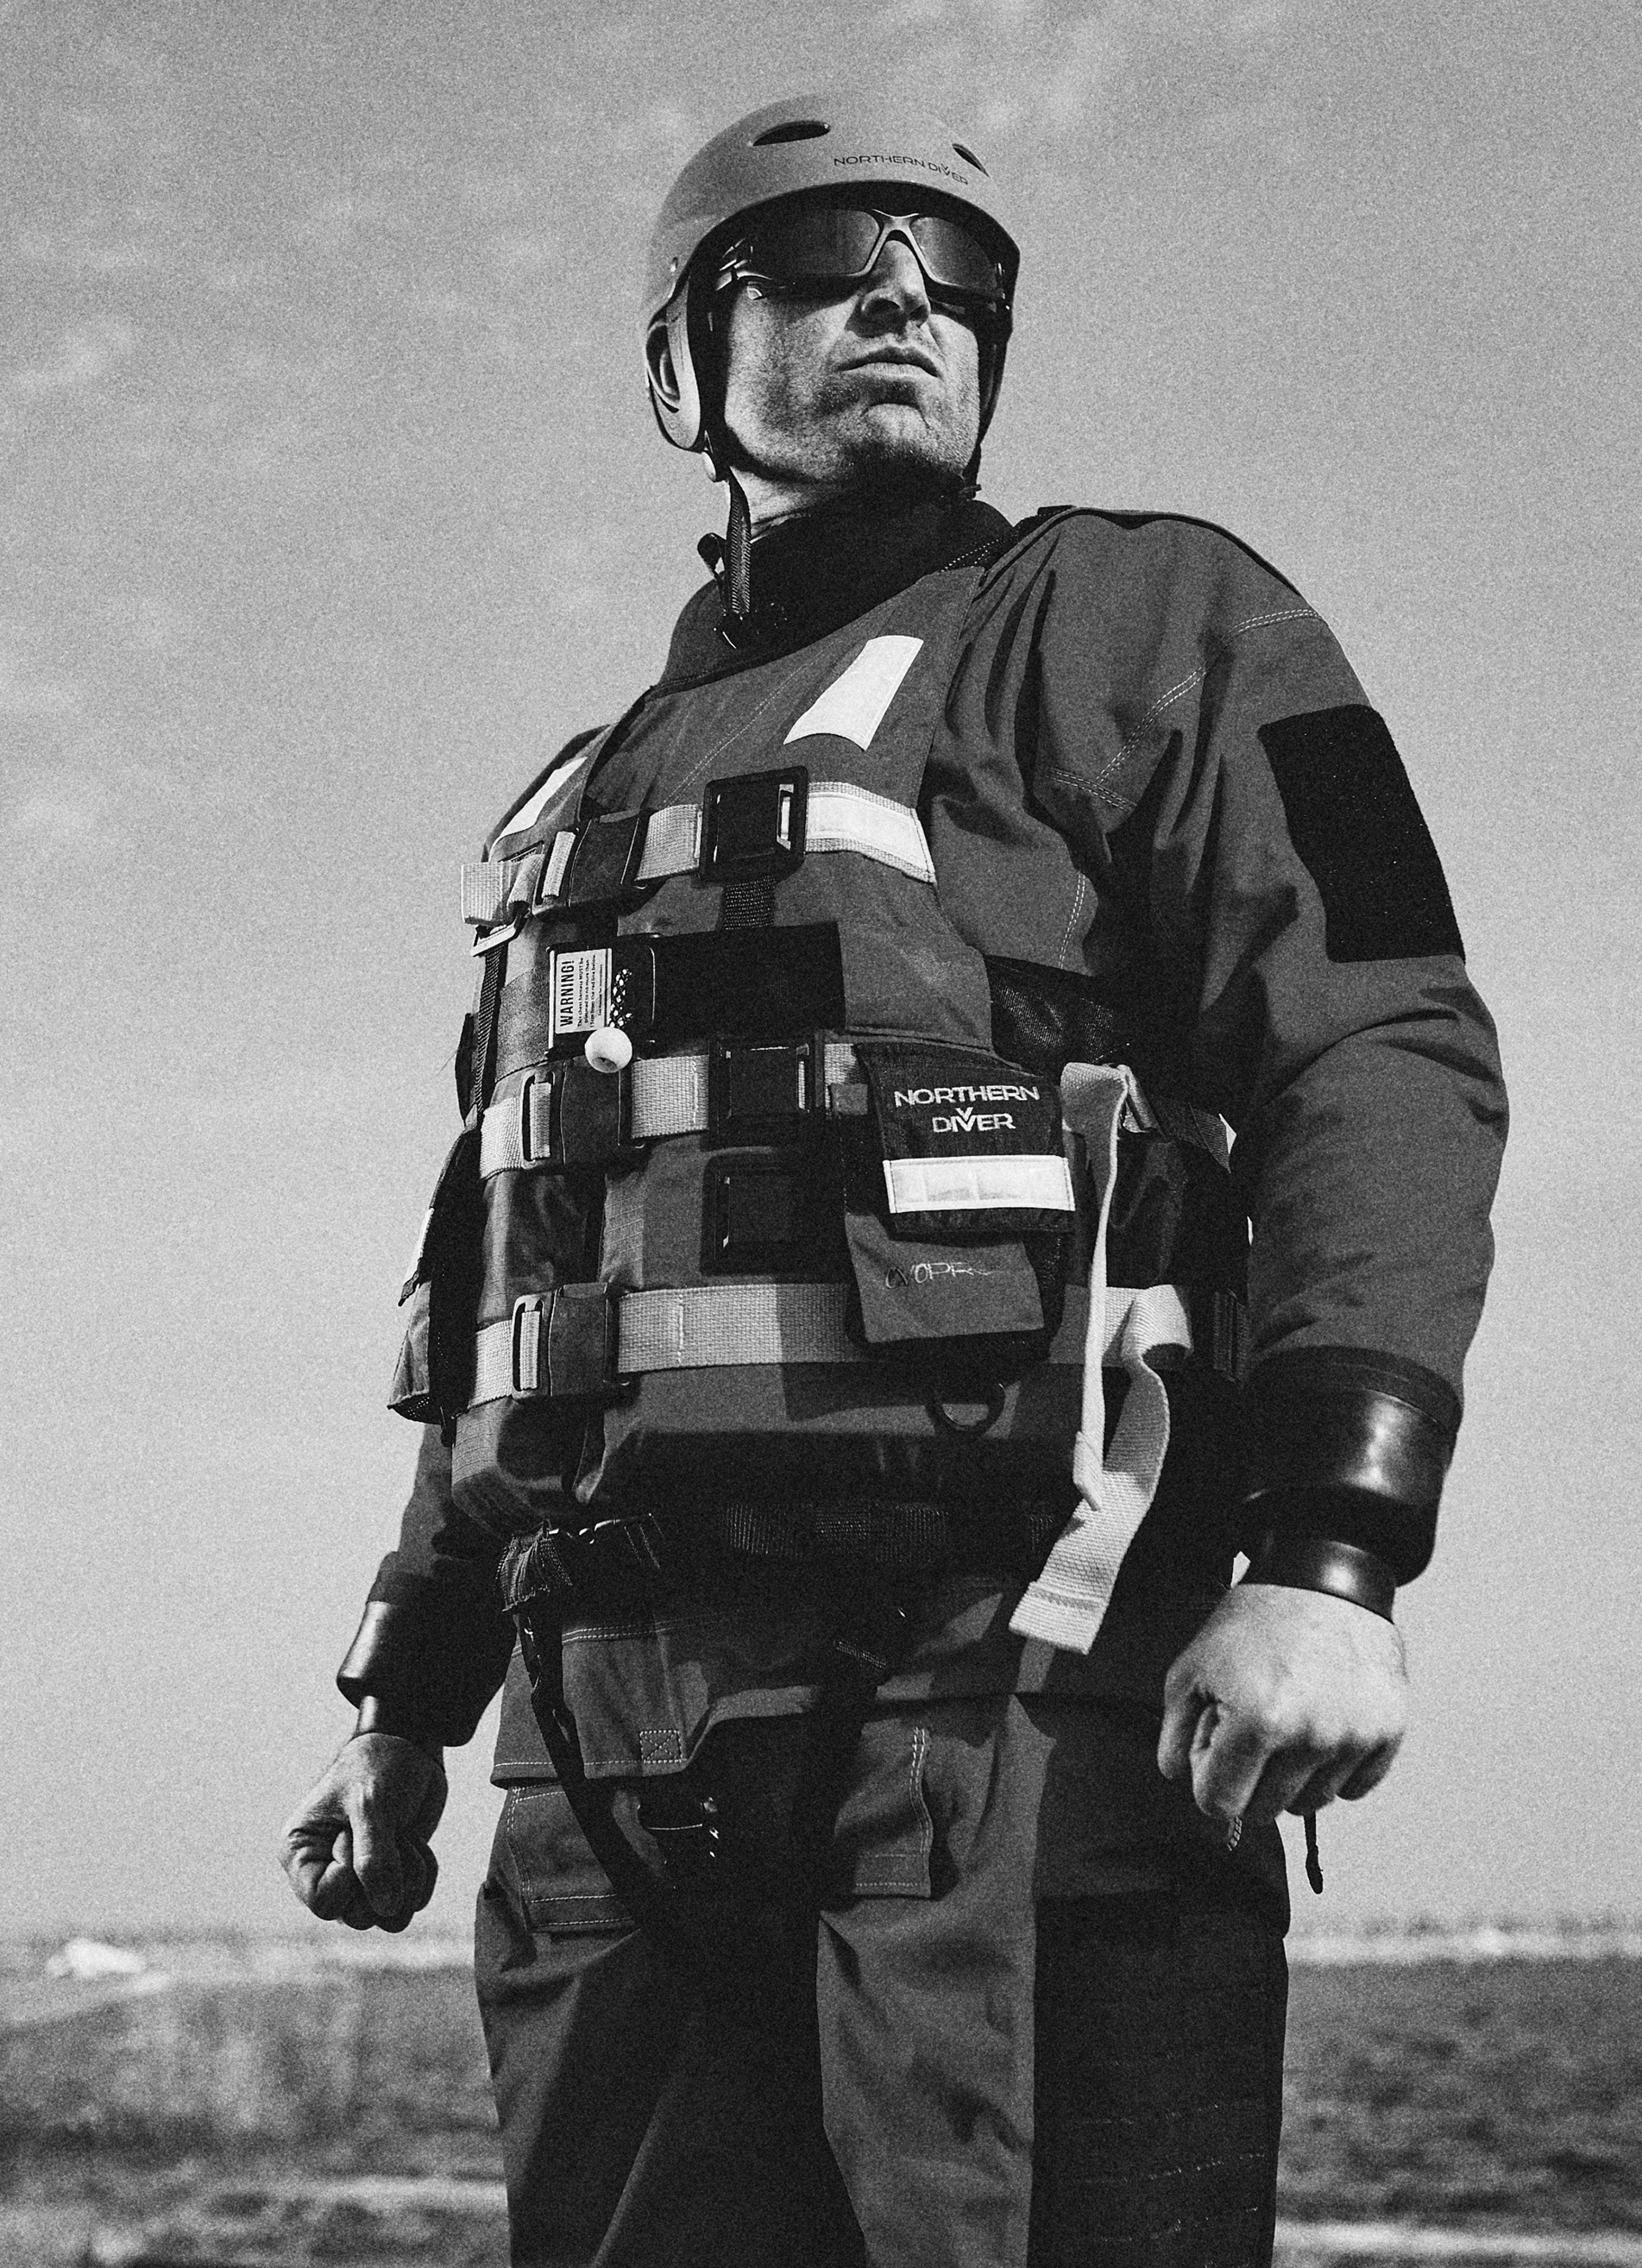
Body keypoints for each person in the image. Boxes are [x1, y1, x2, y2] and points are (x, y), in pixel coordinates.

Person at [281, 91, 1506, 2268]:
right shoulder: (583, 805)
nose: (906, 303)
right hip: (602, 1760)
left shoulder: (1144, 621)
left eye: (958, 276)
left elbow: (1380, 1047)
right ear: (684, 365)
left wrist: (1335, 1552)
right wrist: (404, 1706)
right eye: (829, 260)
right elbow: (519, 1273)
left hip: (1005, 1697)